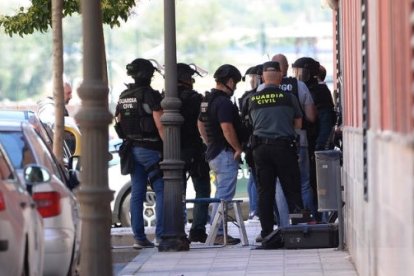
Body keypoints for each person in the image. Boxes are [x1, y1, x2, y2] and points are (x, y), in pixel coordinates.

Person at [248, 61, 303, 240]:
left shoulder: (253, 99)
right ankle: (298, 231)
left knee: (265, 192)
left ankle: (267, 233)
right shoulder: (289, 98)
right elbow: (298, 123)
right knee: (292, 189)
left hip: (260, 149)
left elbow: (249, 123)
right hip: (284, 147)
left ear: (263, 77)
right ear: (280, 76)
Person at [115, 58, 164, 249]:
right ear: (149, 75)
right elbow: (159, 123)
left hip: (131, 150)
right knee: (161, 189)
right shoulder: (149, 95)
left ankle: (139, 238)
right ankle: (161, 235)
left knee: (137, 192)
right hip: (150, 149)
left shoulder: (124, 95)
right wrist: (169, 147)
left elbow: (118, 120)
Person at [197, 64, 245, 245]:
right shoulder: (223, 102)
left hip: (213, 153)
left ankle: (218, 231)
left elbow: (200, 124)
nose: (235, 88)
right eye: (236, 84)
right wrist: (238, 148)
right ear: (230, 82)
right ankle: (216, 233)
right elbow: (227, 128)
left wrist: (208, 142)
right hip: (224, 154)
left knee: (219, 193)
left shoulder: (206, 100)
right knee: (224, 196)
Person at [272, 54, 318, 224]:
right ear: (285, 68)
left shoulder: (263, 89)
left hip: (275, 143)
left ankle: (285, 225)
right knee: (304, 183)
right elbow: (311, 117)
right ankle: (308, 221)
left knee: (279, 184)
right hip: (300, 140)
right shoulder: (299, 86)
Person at [292, 57, 336, 221]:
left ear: (310, 72)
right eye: (295, 72)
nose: (298, 76)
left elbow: (325, 120)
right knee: (307, 182)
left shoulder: (320, 91)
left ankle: (319, 218)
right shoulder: (299, 88)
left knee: (316, 183)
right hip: (305, 141)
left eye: (301, 72)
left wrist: (320, 144)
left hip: (316, 142)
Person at [176, 63, 211, 243]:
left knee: (177, 192)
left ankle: (178, 230)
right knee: (202, 189)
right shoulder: (197, 99)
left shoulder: (165, 98)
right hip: (196, 149)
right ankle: (198, 230)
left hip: (174, 151)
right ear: (186, 79)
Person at [238, 65, 263, 220]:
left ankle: (255, 210)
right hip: (253, 141)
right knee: (255, 178)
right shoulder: (249, 96)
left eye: (254, 77)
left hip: (250, 142)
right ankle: (255, 210)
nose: (251, 81)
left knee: (254, 178)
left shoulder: (249, 96)